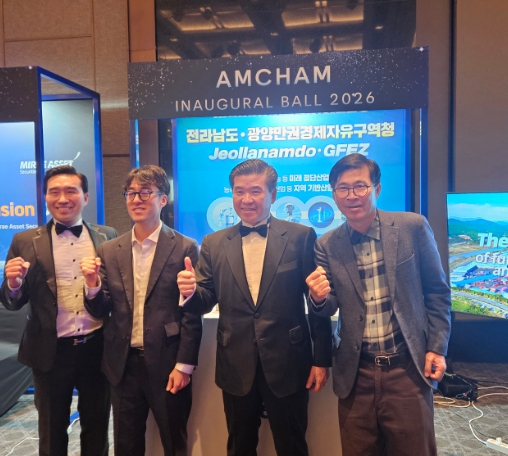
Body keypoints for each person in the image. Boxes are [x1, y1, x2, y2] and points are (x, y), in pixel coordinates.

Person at [177, 159, 332, 456]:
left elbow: (317, 299)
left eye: (256, 191)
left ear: (273, 194)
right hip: (235, 363)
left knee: (292, 445)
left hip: (289, 362)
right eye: (239, 191)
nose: (246, 199)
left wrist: (321, 359)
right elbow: (205, 300)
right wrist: (190, 292)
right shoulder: (213, 242)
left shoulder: (301, 237)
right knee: (239, 446)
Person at [305, 153, 452, 455]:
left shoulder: (412, 227)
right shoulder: (326, 245)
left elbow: (437, 291)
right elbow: (330, 305)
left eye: (360, 186)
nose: (352, 195)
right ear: (334, 194)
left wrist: (437, 347)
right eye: (343, 188)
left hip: (406, 371)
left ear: (377, 189)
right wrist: (317, 298)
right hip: (356, 374)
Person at [81, 165, 201, 456]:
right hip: (122, 366)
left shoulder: (185, 247)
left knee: (174, 441)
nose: (137, 199)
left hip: (168, 362)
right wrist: (92, 285)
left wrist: (184, 365)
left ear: (163, 199)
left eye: (146, 192)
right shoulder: (110, 250)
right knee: (126, 445)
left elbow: (191, 313)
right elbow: (102, 309)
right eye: (131, 193)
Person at [0, 165, 117, 456]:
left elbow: (111, 299)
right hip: (50, 351)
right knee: (51, 432)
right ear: (45, 197)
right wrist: (13, 284)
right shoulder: (24, 240)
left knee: (97, 427)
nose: (62, 198)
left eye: (71, 191)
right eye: (54, 192)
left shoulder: (107, 236)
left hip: (97, 348)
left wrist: (94, 287)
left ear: (85, 197)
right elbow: (12, 301)